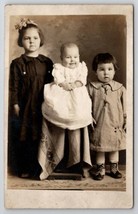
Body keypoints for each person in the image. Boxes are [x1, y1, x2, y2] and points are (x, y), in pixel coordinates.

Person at [38, 42, 93, 180]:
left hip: (77, 96)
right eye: (68, 57)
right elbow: (58, 79)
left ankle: (77, 162)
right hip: (62, 92)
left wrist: (75, 84)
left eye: (75, 56)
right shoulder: (58, 67)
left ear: (79, 56)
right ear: (61, 58)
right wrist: (64, 84)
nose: (72, 60)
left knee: (80, 110)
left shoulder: (81, 67)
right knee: (57, 108)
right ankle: (58, 160)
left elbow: (82, 79)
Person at [9, 18, 53, 178]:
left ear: (41, 40)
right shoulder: (18, 63)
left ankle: (42, 166)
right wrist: (14, 103)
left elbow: (52, 84)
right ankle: (25, 167)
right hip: (25, 105)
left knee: (41, 136)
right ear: (21, 41)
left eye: (35, 38)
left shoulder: (46, 62)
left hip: (43, 104)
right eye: (27, 38)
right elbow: (13, 86)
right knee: (26, 136)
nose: (31, 41)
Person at [87, 53, 126, 180]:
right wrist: (89, 116)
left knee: (114, 146)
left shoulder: (119, 88)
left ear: (114, 70)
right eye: (101, 69)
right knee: (100, 147)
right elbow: (85, 104)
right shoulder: (91, 88)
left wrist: (126, 118)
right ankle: (100, 169)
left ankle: (114, 167)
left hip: (115, 123)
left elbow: (126, 105)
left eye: (110, 69)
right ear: (95, 71)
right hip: (99, 122)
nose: (106, 73)